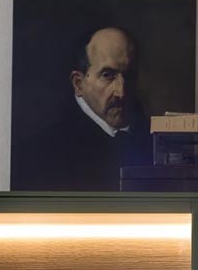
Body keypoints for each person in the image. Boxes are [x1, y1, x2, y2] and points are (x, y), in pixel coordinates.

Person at [11, 23, 143, 190]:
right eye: (107, 75)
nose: (121, 92)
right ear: (79, 83)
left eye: (129, 75)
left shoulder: (153, 139)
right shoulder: (37, 154)